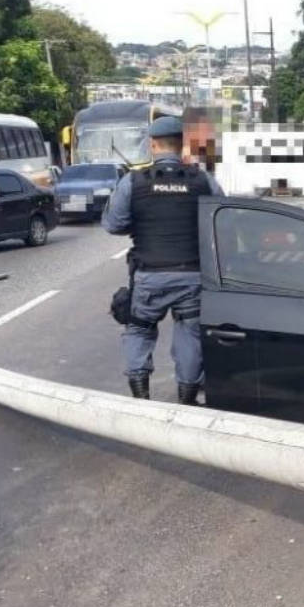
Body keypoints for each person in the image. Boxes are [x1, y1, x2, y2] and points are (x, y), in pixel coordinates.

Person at [102, 116, 224, 404]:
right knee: (190, 333)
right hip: (193, 275)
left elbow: (113, 224)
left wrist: (141, 222)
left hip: (149, 275)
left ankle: (141, 396)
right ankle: (187, 398)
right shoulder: (203, 180)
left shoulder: (133, 181)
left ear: (152, 145)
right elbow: (222, 222)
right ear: (182, 145)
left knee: (139, 329)